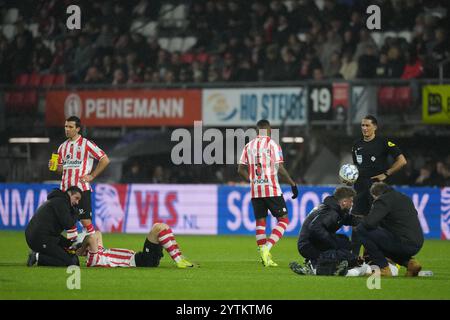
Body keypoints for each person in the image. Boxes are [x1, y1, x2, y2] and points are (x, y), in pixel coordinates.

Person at [238, 119, 298, 267]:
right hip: (271, 188)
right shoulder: (272, 145)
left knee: (260, 222)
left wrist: (252, 181)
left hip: (256, 190)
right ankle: (267, 248)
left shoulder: (248, 146)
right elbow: (281, 169)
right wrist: (292, 183)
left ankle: (264, 257)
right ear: (269, 129)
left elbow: (240, 170)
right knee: (283, 220)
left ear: (257, 131)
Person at [350, 115, 407, 256]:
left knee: (374, 224)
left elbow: (402, 161)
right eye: (362, 125)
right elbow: (356, 168)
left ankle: (370, 257)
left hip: (376, 189)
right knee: (356, 223)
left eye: (367, 125)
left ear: (375, 127)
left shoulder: (383, 143)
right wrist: (349, 178)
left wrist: (386, 174)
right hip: (359, 189)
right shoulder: (356, 145)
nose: (364, 128)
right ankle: (353, 258)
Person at [49, 116, 110, 241]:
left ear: (77, 129)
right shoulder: (62, 147)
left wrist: (92, 175)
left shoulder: (87, 144)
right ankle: (73, 251)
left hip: (81, 189)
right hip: (65, 191)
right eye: (66, 126)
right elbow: (61, 168)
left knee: (85, 221)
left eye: (70, 127)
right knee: (67, 223)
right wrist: (54, 167)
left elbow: (105, 159)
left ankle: (94, 250)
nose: (67, 129)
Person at [290, 187, 367, 276]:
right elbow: (315, 228)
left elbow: (349, 219)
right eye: (351, 201)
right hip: (308, 246)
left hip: (310, 243)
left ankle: (315, 263)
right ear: (344, 202)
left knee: (344, 241)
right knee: (345, 252)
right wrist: (332, 243)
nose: (352, 204)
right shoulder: (331, 211)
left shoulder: (334, 208)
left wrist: (368, 221)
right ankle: (323, 267)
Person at [354, 182, 424, 277]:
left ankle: (383, 268)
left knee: (361, 229)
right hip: (417, 243)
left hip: (403, 243)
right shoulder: (404, 198)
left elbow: (369, 223)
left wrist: (360, 219)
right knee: (381, 241)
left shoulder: (383, 200)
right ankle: (410, 264)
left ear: (376, 195)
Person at [76, 223, 195, 268]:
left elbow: (97, 233)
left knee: (163, 227)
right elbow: (91, 238)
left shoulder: (99, 252)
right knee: (158, 228)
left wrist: (81, 247)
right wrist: (81, 250)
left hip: (142, 258)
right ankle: (178, 260)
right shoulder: (92, 260)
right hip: (141, 261)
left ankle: (180, 257)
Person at [25, 186, 83, 267]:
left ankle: (40, 255)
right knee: (70, 262)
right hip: (40, 238)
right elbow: (68, 224)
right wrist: (76, 212)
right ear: (69, 194)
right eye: (76, 198)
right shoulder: (61, 202)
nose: (77, 202)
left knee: (74, 259)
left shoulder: (59, 200)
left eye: (78, 200)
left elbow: (64, 226)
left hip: (44, 235)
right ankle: (37, 257)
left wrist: (71, 244)